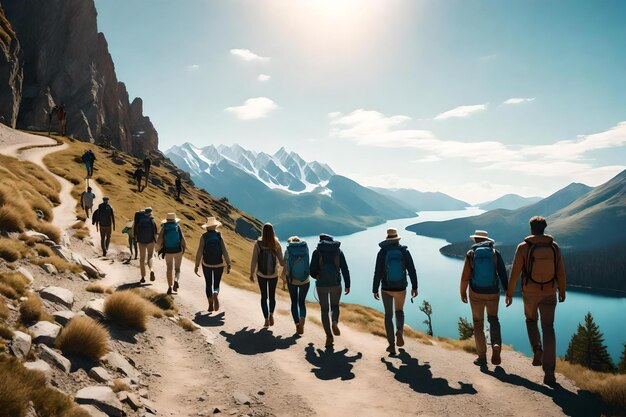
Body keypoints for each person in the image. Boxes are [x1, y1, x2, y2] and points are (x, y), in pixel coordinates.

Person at [506, 216, 566, 386]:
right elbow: (560, 271)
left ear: (531, 228)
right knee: (549, 328)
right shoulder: (554, 247)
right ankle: (549, 373)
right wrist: (562, 290)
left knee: (531, 321)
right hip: (549, 292)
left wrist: (509, 293)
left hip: (530, 293)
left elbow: (515, 272)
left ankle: (537, 350)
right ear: (544, 228)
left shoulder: (524, 247)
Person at [460, 230, 508, 366]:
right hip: (493, 292)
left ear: (475, 240)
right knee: (493, 319)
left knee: (478, 323)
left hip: (475, 293)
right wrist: (508, 292)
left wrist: (462, 292)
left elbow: (465, 277)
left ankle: (482, 357)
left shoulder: (471, 254)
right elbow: (503, 274)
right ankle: (496, 344)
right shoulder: (494, 253)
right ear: (487, 240)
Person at [373, 228, 418, 355]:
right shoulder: (404, 251)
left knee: (388, 315)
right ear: (397, 239)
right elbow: (412, 270)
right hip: (400, 287)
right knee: (399, 311)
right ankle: (399, 331)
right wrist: (415, 286)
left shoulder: (382, 253)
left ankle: (391, 346)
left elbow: (377, 272)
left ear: (387, 239)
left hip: (386, 288)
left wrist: (375, 289)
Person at [310, 233, 351, 348]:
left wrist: (317, 275)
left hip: (322, 285)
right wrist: (347, 284)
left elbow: (312, 271)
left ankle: (329, 337)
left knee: (324, 310)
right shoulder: (338, 251)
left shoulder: (317, 252)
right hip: (336, 284)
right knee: (335, 307)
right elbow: (345, 269)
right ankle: (334, 322)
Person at [249, 223, 285, 327]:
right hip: (273, 275)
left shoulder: (258, 243)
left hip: (261, 274)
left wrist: (251, 273)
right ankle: (271, 314)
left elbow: (254, 259)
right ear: (273, 231)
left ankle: (265, 319)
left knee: (264, 297)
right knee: (272, 297)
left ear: (263, 231)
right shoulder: (276, 243)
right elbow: (282, 262)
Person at [194, 217, 231, 312]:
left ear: (206, 227)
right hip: (219, 264)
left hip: (207, 264)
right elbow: (224, 250)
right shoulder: (219, 235)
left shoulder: (204, 236)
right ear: (215, 226)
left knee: (208, 284)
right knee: (216, 283)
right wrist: (228, 263)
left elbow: (199, 252)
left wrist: (197, 265)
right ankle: (215, 293)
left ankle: (210, 304)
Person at [281, 236, 311, 335]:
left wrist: (284, 278)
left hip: (292, 280)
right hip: (305, 280)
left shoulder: (288, 250)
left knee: (294, 302)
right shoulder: (305, 248)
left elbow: (284, 265)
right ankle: (302, 318)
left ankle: (298, 324)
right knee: (301, 302)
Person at [157, 212, 187, 295]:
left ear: (167, 220)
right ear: (174, 219)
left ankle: (169, 287)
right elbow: (183, 240)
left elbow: (159, 241)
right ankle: (176, 281)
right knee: (177, 269)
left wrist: (159, 249)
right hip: (178, 251)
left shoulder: (164, 227)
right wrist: (183, 249)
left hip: (168, 252)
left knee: (169, 269)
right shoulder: (177, 226)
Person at [134, 207, 158, 284]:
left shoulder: (139, 220)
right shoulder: (152, 220)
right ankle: (151, 270)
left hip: (141, 241)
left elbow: (135, 229)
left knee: (142, 259)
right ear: (150, 212)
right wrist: (156, 242)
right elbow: (155, 232)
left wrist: (136, 238)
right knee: (150, 257)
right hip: (150, 241)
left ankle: (143, 277)